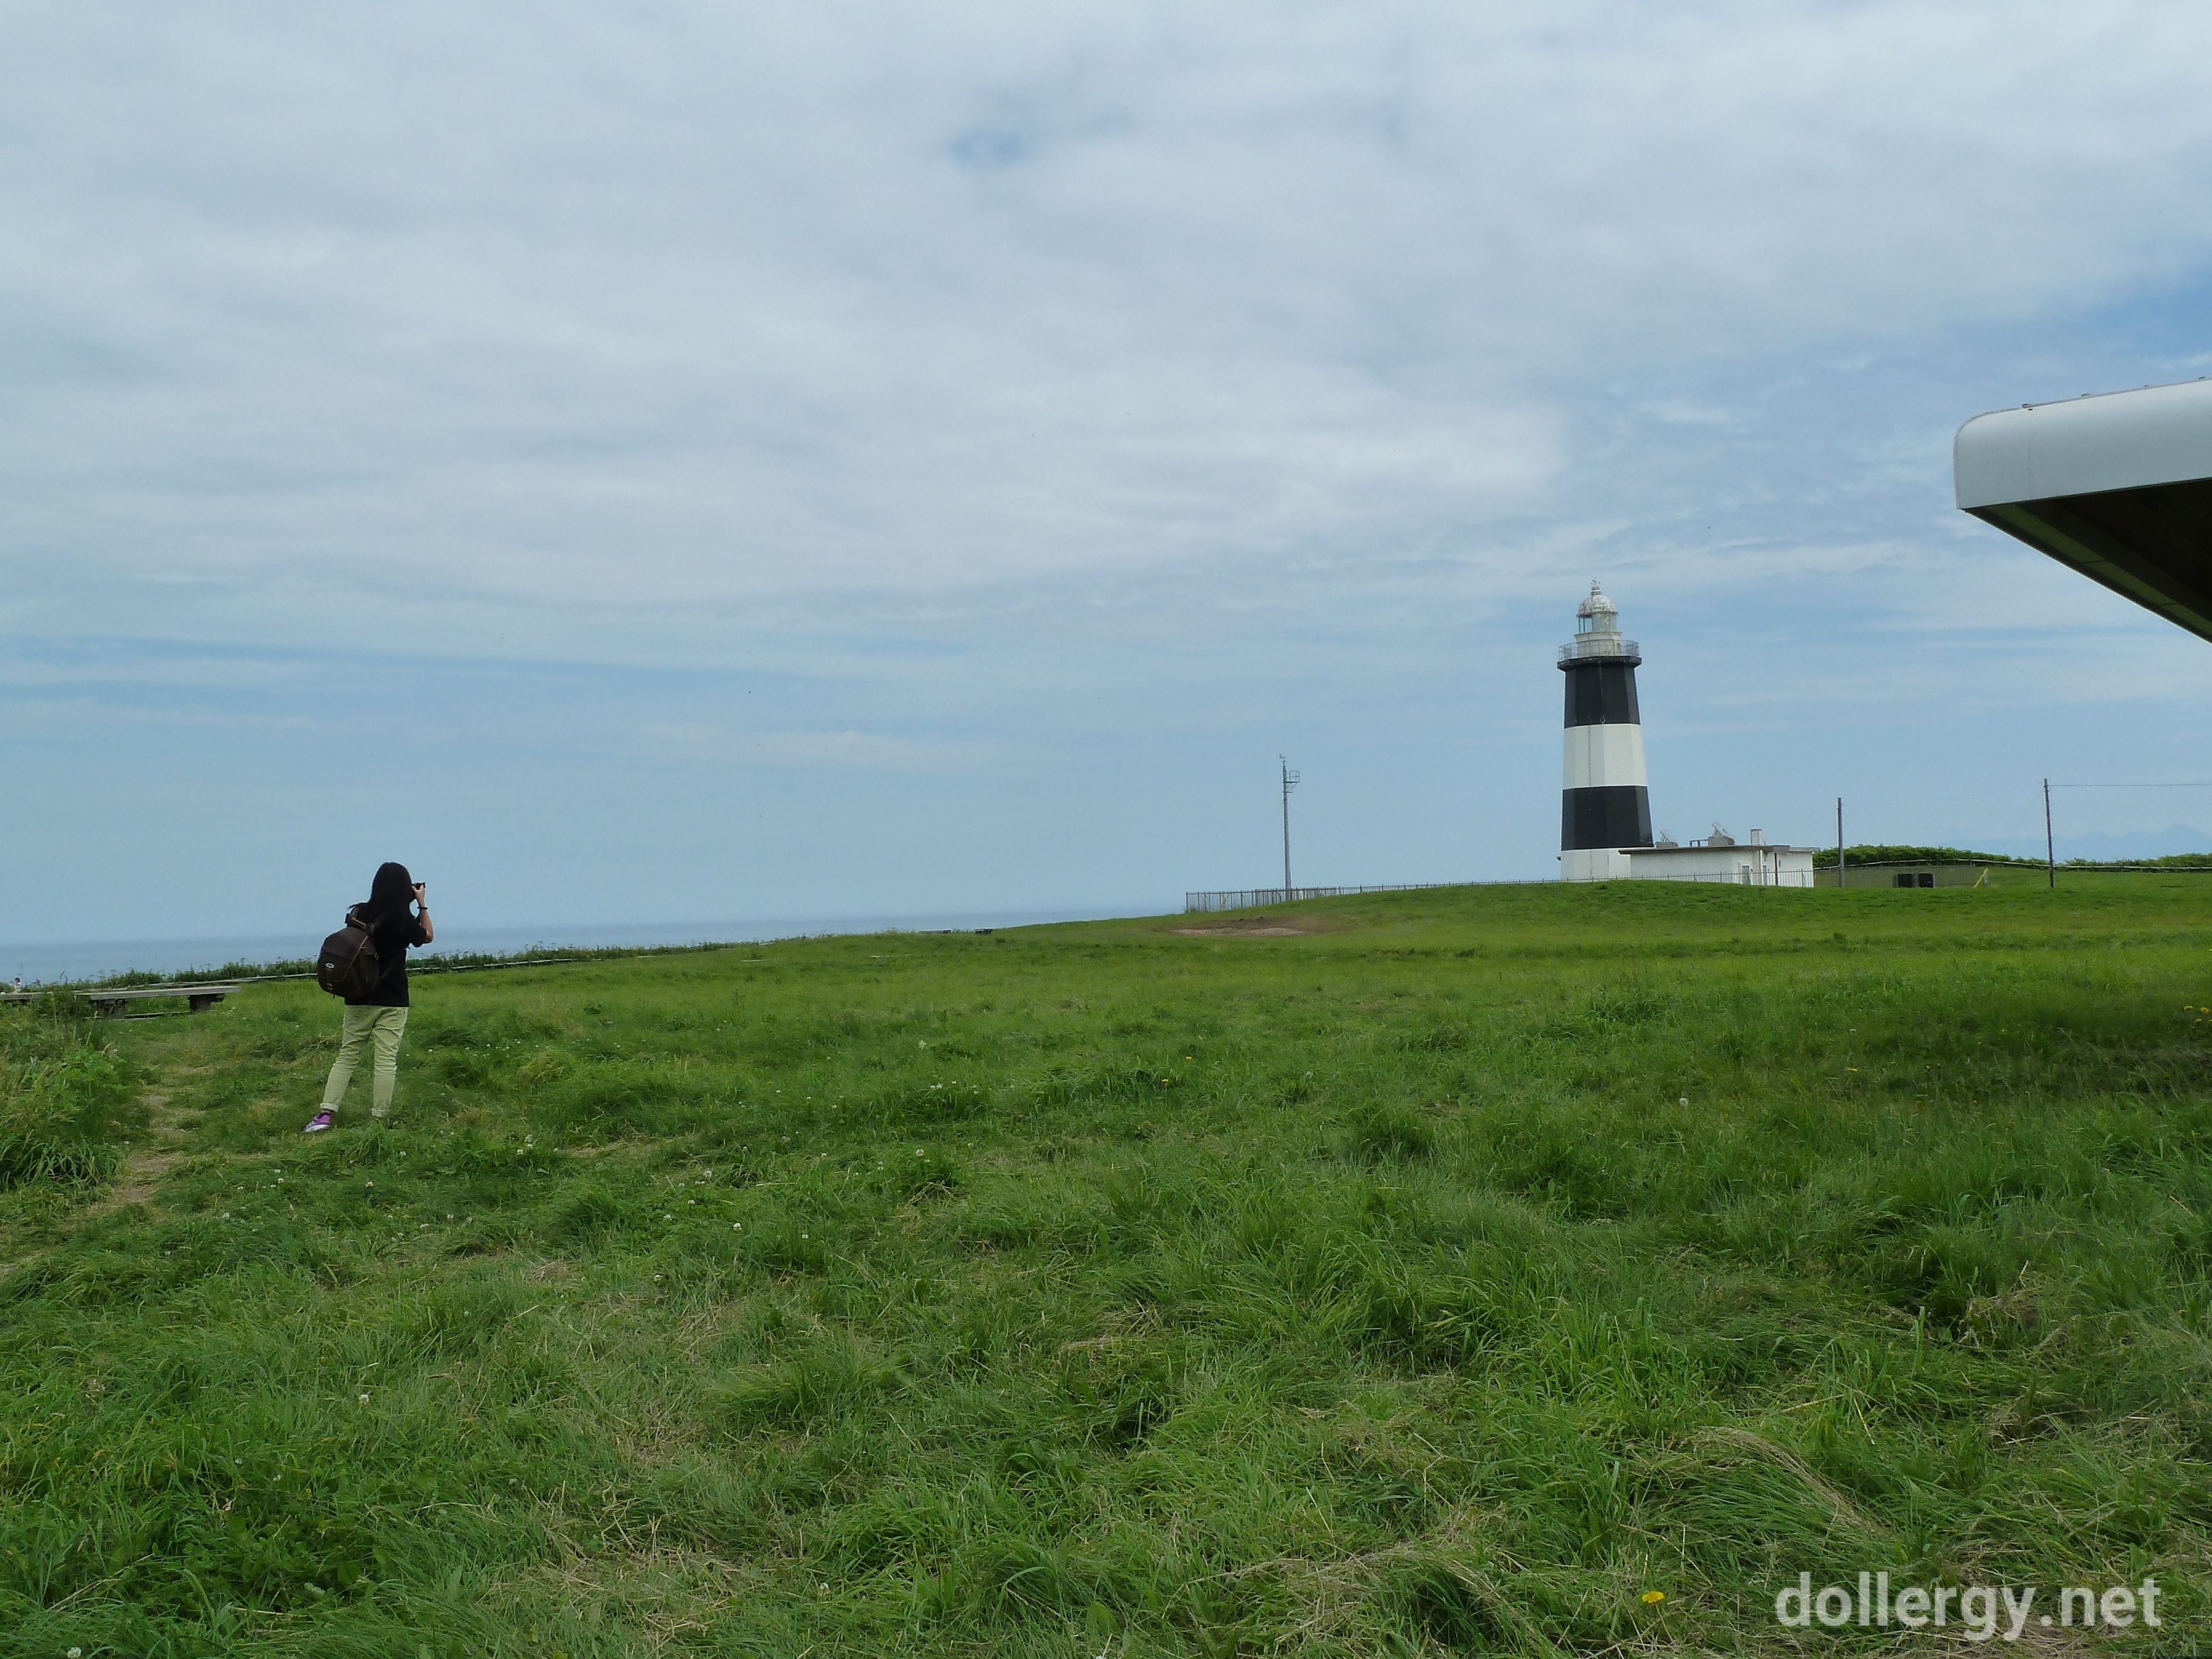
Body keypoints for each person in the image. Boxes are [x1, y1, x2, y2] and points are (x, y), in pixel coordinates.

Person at [305, 862, 433, 1133]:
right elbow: (428, 936)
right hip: (393, 997)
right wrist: (421, 904)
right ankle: (378, 1118)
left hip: (358, 994)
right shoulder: (403, 917)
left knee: (348, 1055)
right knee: (386, 1059)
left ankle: (325, 1114)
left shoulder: (359, 913)